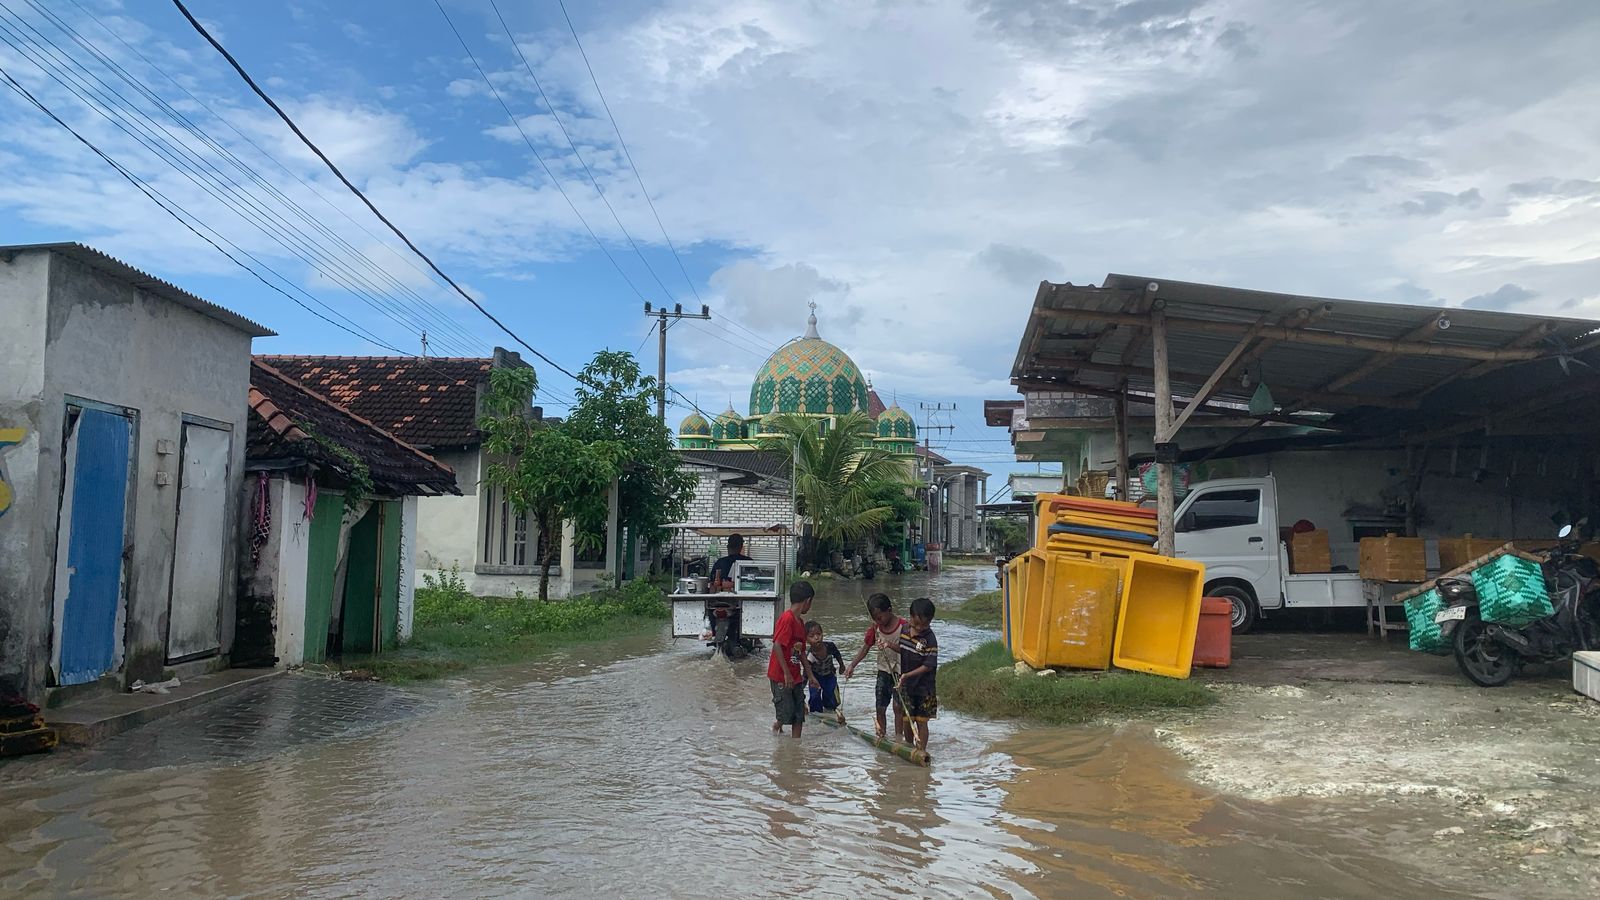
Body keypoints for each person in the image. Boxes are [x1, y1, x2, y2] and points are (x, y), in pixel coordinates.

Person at [844, 593, 908, 741]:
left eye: (880, 617)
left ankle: (899, 738)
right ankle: (881, 736)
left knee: (898, 707)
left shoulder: (904, 627)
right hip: (883, 672)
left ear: (889, 610)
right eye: (874, 618)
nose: (878, 621)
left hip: (901, 673)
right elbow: (865, 648)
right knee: (880, 706)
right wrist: (852, 665)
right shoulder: (875, 628)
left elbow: (908, 650)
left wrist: (889, 644)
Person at [769, 580, 816, 738]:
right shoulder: (787, 619)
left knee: (799, 714)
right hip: (781, 676)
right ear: (807, 601)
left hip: (795, 676)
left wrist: (810, 675)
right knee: (786, 712)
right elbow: (777, 645)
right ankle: (777, 726)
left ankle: (796, 745)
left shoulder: (800, 623)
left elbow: (801, 652)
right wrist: (786, 673)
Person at [897, 597, 939, 752]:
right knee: (907, 720)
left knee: (922, 721)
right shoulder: (904, 630)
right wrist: (887, 645)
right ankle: (909, 748)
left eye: (924, 624)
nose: (920, 628)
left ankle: (921, 750)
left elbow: (928, 665)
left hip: (924, 688)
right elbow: (902, 649)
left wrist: (907, 675)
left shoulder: (930, 639)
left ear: (930, 621)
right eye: (916, 624)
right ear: (911, 617)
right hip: (907, 686)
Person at [804, 621, 844, 719]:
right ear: (806, 640)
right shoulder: (810, 655)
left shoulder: (830, 646)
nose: (816, 638)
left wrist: (842, 665)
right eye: (812, 636)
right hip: (815, 677)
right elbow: (806, 672)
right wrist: (801, 688)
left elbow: (837, 654)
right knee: (814, 697)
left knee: (830, 697)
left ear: (822, 634)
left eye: (818, 634)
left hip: (829, 675)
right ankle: (816, 715)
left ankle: (830, 713)